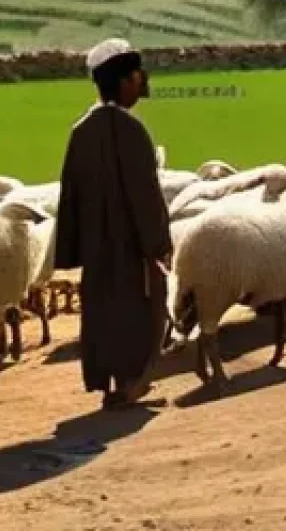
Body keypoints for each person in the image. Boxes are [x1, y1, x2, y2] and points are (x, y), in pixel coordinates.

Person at [54, 38, 173, 410]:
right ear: (123, 81)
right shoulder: (131, 131)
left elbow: (69, 195)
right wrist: (158, 243)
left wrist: (73, 248)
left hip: (95, 246)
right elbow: (145, 193)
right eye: (137, 77)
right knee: (138, 309)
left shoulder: (80, 131)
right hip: (130, 246)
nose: (141, 83)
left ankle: (109, 383)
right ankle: (130, 383)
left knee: (101, 311)